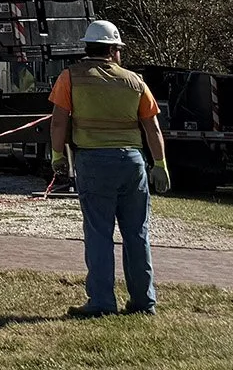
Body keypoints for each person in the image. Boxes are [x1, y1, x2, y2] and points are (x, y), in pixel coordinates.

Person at [48, 19, 170, 318]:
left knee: (99, 234)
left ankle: (102, 302)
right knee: (137, 233)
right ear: (115, 50)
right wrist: (160, 164)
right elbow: (152, 127)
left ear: (87, 47)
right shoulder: (135, 81)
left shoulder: (71, 77)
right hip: (132, 161)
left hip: (93, 161)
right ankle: (144, 302)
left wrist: (57, 157)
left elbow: (58, 121)